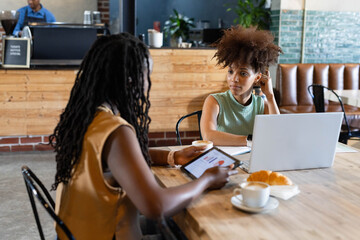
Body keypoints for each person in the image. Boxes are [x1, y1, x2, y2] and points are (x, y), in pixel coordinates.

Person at [49, 33, 237, 240]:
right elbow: (155, 206)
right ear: (130, 81)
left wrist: (172, 157)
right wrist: (207, 179)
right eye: (148, 76)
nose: (148, 85)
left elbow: (123, 159)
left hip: (76, 232)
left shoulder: (87, 117)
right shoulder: (116, 130)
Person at [200, 26, 282, 146]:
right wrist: (250, 140)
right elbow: (208, 136)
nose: (234, 79)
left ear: (257, 78)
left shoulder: (261, 105)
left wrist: (270, 96)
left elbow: (278, 134)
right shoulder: (214, 101)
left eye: (243, 73)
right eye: (231, 71)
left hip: (251, 162)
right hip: (223, 162)